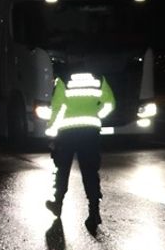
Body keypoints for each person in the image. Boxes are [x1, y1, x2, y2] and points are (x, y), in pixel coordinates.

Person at [43, 68, 116, 234]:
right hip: (90, 133)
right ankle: (94, 212)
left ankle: (58, 203)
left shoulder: (64, 80)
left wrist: (51, 130)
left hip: (67, 133)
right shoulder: (99, 77)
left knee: (62, 169)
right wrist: (97, 115)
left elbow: (57, 108)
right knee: (90, 172)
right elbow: (110, 103)